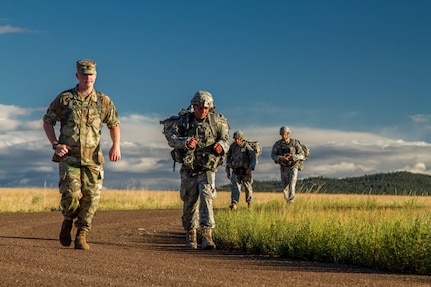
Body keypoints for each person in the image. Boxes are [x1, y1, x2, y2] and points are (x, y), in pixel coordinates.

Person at [42, 59, 121, 250]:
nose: (88, 78)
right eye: (84, 74)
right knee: (71, 196)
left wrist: (115, 145)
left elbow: (114, 124)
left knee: (91, 198)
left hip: (93, 160)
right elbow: (47, 122)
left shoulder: (103, 101)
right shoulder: (65, 99)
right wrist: (55, 144)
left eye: (91, 74)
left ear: (96, 76)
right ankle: (68, 219)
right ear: (77, 76)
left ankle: (82, 234)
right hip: (69, 158)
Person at [166, 90, 230, 249]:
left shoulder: (217, 122)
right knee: (189, 202)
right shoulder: (183, 122)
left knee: (207, 199)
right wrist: (185, 142)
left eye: (206, 108)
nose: (203, 111)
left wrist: (221, 146)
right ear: (194, 106)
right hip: (189, 169)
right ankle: (191, 234)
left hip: (207, 169)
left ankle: (207, 235)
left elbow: (226, 140)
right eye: (200, 107)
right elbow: (171, 138)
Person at [271, 126, 305, 203]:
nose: (284, 136)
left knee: (292, 185)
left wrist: (292, 157)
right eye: (282, 134)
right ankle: (287, 202)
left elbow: (302, 154)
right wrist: (280, 158)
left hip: (293, 167)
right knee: (285, 187)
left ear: (289, 134)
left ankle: (291, 203)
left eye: (285, 134)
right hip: (283, 168)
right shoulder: (277, 144)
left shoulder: (295, 143)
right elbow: (273, 155)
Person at [225, 130, 256, 211]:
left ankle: (249, 204)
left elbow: (253, 158)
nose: (236, 140)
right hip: (235, 171)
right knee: (235, 188)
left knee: (248, 188)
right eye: (235, 139)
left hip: (246, 172)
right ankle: (234, 204)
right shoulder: (232, 147)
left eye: (238, 139)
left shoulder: (247, 147)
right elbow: (228, 159)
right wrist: (227, 170)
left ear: (241, 139)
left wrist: (250, 168)